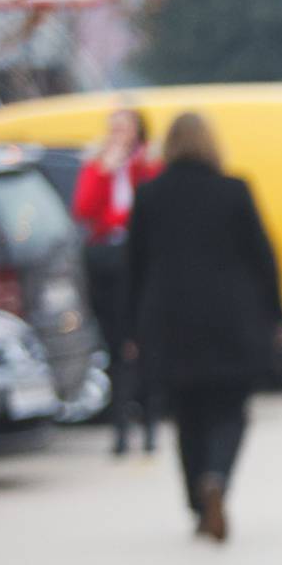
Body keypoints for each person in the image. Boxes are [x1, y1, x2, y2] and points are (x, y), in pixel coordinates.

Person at [124, 112, 282, 541]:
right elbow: (263, 258)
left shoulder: (149, 195)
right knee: (230, 412)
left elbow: (134, 267)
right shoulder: (233, 190)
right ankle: (217, 478)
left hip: (169, 325)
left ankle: (197, 503)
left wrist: (131, 330)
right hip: (231, 323)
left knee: (187, 416)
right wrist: (277, 315)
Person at [72, 106, 163, 455]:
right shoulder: (99, 166)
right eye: (114, 129)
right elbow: (84, 210)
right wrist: (104, 171)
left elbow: (149, 209)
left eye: (125, 129)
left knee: (145, 341)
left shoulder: (148, 166)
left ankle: (151, 420)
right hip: (109, 259)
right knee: (116, 346)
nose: (118, 136)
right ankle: (120, 427)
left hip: (139, 259)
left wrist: (135, 166)